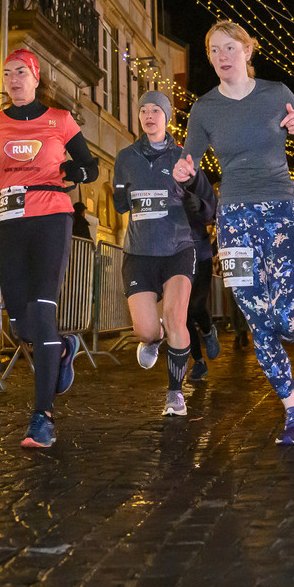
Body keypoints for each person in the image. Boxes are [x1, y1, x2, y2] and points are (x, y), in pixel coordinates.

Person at [173, 20, 294, 446]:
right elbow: (188, 164)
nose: (221, 57)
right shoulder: (205, 109)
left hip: (281, 212)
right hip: (234, 221)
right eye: (213, 50)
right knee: (259, 320)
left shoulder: (276, 94)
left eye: (229, 47)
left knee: (285, 316)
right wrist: (184, 173)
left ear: (247, 51)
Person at [0, 48, 99, 447]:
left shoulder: (60, 120)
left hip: (51, 217)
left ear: (36, 77)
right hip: (9, 222)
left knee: (42, 311)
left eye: (21, 72)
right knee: (20, 324)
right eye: (8, 73)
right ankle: (61, 349)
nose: (14, 79)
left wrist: (76, 170)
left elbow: (91, 167)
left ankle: (43, 416)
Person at [113, 91, 215, 416]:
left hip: (177, 249)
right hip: (139, 252)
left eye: (156, 110)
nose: (148, 115)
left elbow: (209, 204)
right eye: (143, 110)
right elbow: (120, 203)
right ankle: (153, 339)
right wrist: (122, 195)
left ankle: (175, 393)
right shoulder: (126, 157)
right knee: (144, 331)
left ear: (167, 117)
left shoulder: (183, 157)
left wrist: (194, 201)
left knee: (176, 318)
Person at [186, 209, 220, 381]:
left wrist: (199, 206)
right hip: (179, 259)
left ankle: (207, 331)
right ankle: (199, 362)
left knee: (196, 306)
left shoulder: (198, 193)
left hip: (202, 259)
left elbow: (214, 213)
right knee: (184, 315)